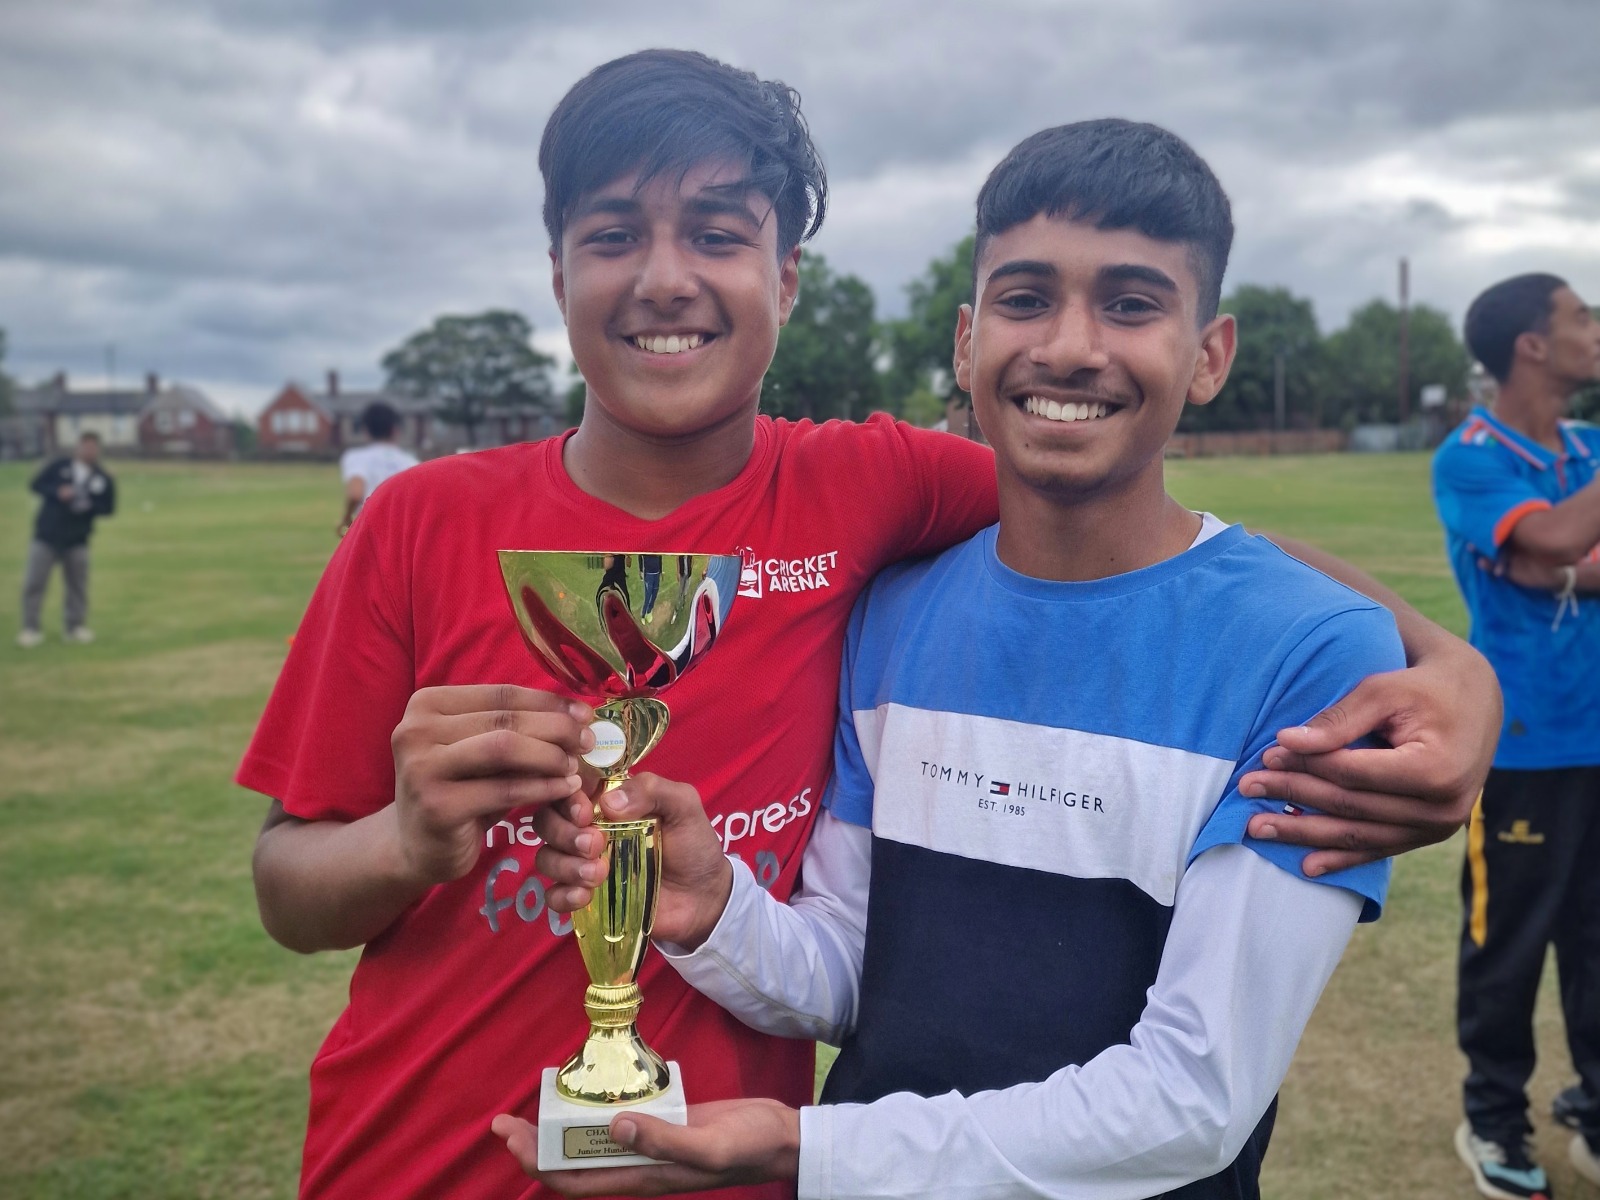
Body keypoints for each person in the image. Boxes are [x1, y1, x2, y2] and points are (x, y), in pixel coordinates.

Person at [241, 50, 1497, 1200]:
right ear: (559, 270)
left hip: (724, 1165)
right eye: (613, 232)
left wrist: (1451, 671)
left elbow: (1166, 536)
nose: (665, 276)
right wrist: (409, 840)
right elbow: (288, 890)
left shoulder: (875, 488)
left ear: (783, 278)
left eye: (719, 233)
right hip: (412, 1160)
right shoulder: (418, 520)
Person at [505, 118, 1421, 1200]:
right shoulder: (895, 614)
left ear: (1208, 354)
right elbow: (855, 980)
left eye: (1131, 304)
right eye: (1024, 298)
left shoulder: (1311, 654)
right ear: (965, 341)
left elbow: (1192, 1100)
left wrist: (810, 1148)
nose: (1070, 346)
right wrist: (716, 910)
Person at [1432, 272, 1600, 1200]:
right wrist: (1557, 546)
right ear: (1531, 345)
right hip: (1524, 747)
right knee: (1508, 947)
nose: (1596, 330)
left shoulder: (1589, 446)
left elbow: (1555, 552)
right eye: (1581, 317)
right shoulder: (1468, 457)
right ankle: (1494, 1123)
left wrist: (1559, 558)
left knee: (1598, 942)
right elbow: (1552, 540)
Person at [18, 431, 116, 647]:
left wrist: (89, 505)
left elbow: (108, 508)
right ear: (78, 447)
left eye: (93, 447)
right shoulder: (58, 466)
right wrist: (57, 492)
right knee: (35, 582)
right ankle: (30, 628)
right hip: (47, 535)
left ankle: (75, 627)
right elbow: (35, 485)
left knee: (77, 585)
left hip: (77, 539)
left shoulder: (102, 477)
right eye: (86, 446)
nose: (89, 451)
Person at [337, 401, 418, 535]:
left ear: (365, 430)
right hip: (402, 532)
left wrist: (347, 519)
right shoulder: (411, 462)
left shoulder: (356, 457)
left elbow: (355, 493)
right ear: (395, 430)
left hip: (370, 531)